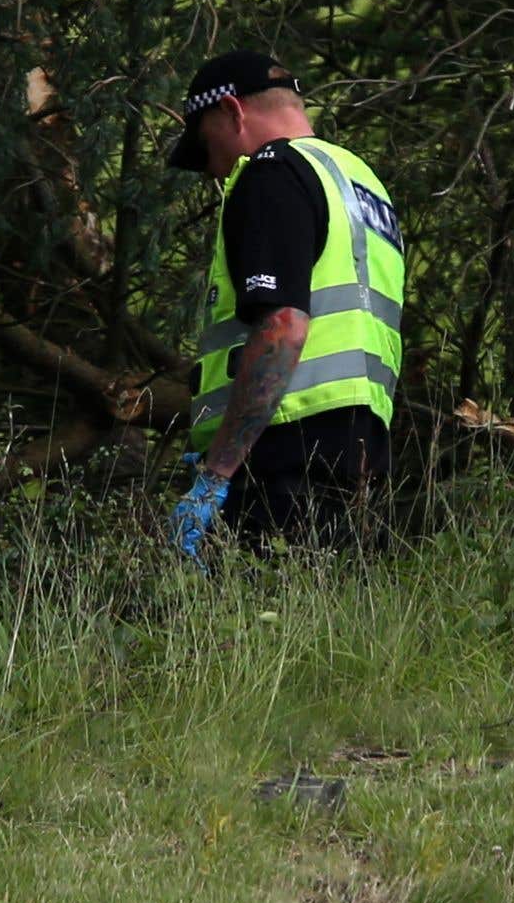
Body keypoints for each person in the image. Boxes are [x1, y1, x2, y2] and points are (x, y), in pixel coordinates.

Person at [160, 49, 407, 557]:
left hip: (283, 451)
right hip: (363, 448)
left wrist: (217, 473)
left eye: (209, 147)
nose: (215, 170)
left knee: (244, 627)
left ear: (232, 111)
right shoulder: (361, 183)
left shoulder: (271, 174)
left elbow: (283, 325)